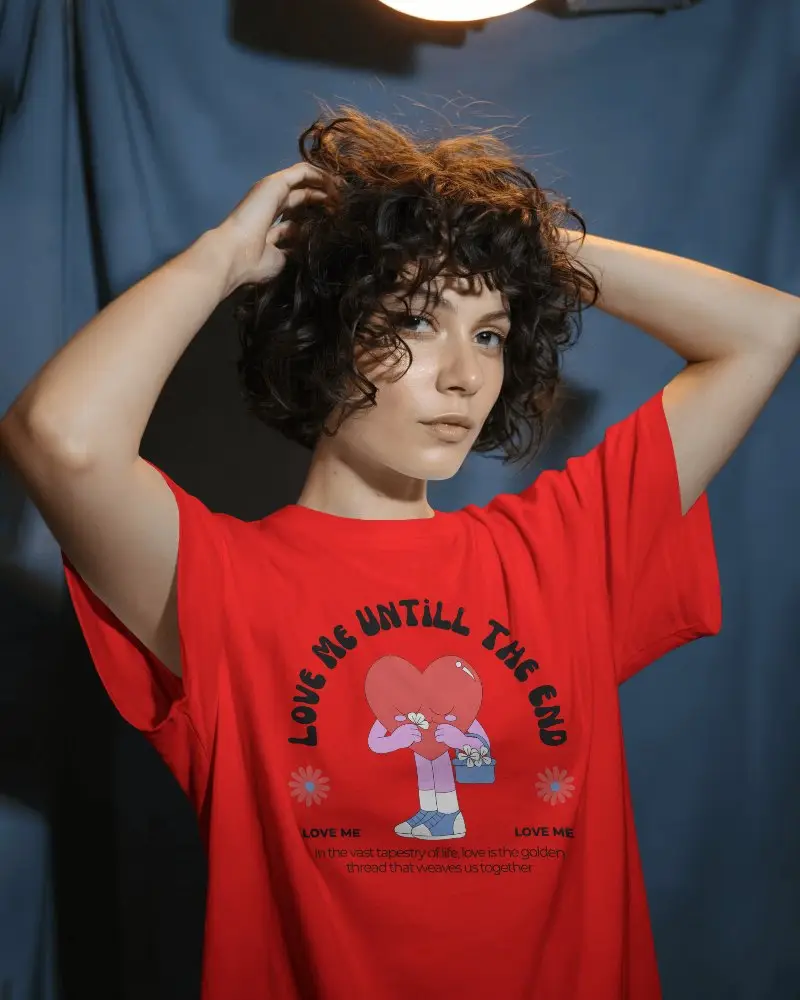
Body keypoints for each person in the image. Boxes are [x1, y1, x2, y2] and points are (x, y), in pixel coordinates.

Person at [1, 106, 798, 1000]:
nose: (464, 373)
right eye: (417, 322)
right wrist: (227, 256)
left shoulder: (563, 549)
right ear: (330, 337)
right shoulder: (223, 580)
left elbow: (764, 330)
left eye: (489, 333)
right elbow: (58, 437)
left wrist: (519, 243)